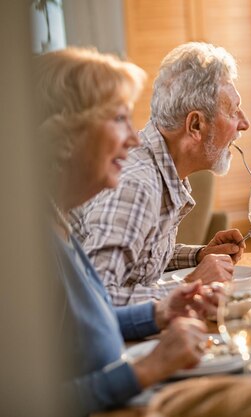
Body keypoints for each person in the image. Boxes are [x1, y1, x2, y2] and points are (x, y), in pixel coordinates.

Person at [37, 47, 219, 414]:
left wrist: (159, 312)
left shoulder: (55, 219)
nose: (134, 139)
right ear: (67, 135)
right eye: (119, 119)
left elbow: (83, 328)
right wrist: (147, 369)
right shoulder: (25, 248)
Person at [69, 42, 251, 306]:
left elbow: (138, 257)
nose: (244, 123)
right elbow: (92, 301)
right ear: (196, 125)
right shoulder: (136, 185)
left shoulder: (163, 169)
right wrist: (190, 288)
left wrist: (198, 256)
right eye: (233, 110)